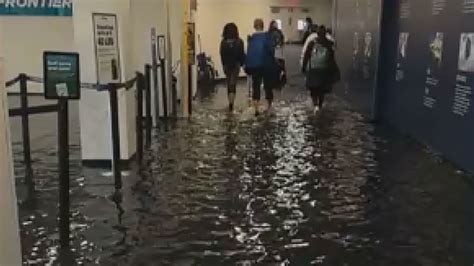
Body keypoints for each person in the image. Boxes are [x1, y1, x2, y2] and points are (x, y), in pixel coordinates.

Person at [302, 26, 340, 114]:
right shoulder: (329, 43)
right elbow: (331, 59)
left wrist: (304, 68)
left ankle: (315, 105)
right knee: (321, 90)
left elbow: (306, 56)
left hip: (314, 69)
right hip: (324, 69)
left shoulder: (312, 43)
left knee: (313, 89)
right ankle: (320, 105)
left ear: (317, 33)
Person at [245, 18, 276, 115]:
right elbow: (272, 50)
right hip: (267, 65)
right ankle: (269, 106)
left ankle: (256, 107)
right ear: (263, 26)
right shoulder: (268, 36)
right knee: (268, 86)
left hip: (254, 66)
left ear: (254, 26)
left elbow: (249, 53)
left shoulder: (251, 38)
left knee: (256, 85)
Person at [220, 23, 245, 111]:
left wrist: (223, 65)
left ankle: (230, 102)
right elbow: (242, 54)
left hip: (227, 65)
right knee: (233, 83)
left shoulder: (223, 42)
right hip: (236, 65)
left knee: (228, 83)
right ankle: (232, 101)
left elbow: (222, 54)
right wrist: (242, 64)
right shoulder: (239, 41)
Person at [268, 20, 286, 91]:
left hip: (273, 53)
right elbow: (281, 41)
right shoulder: (278, 32)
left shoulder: (269, 33)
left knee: (274, 69)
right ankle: (279, 83)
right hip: (278, 52)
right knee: (279, 68)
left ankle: (274, 83)